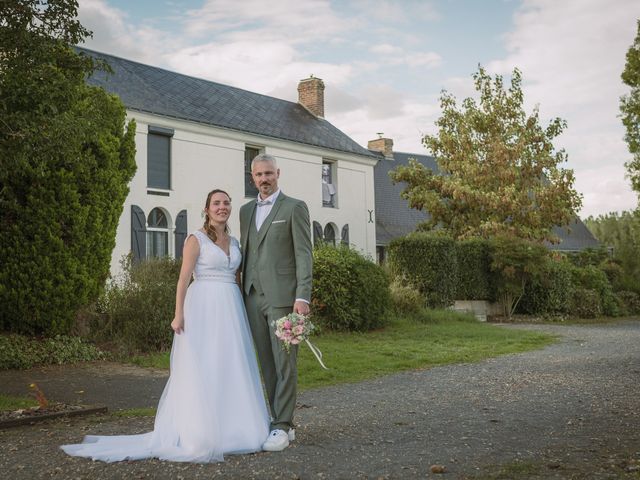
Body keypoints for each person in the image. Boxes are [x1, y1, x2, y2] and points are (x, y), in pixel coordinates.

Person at [61, 189, 270, 463]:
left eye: (226, 203)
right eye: (216, 203)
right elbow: (183, 280)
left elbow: (238, 279)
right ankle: (201, 431)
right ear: (206, 209)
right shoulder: (196, 239)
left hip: (231, 307)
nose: (222, 207)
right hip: (203, 307)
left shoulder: (235, 242)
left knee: (231, 363)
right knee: (205, 364)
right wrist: (178, 315)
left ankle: (236, 427)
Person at [239, 153, 313, 452]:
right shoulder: (245, 211)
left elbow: (304, 254)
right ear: (252, 177)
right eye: (258, 175)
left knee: (285, 363)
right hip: (252, 296)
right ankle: (281, 420)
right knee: (266, 363)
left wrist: (302, 296)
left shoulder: (294, 207)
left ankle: (281, 426)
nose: (264, 179)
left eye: (269, 173)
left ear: (278, 173)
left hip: (284, 299)